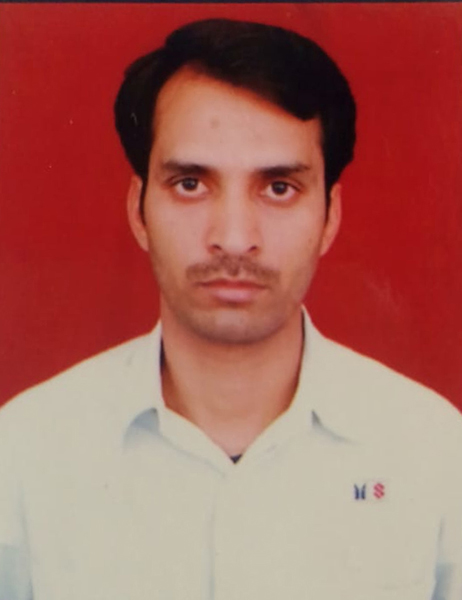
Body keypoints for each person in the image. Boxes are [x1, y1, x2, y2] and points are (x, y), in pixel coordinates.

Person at [0, 18, 461, 600]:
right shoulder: (25, 454)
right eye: (191, 184)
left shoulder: (434, 452)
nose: (235, 239)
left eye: (278, 188)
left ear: (330, 216)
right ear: (139, 211)